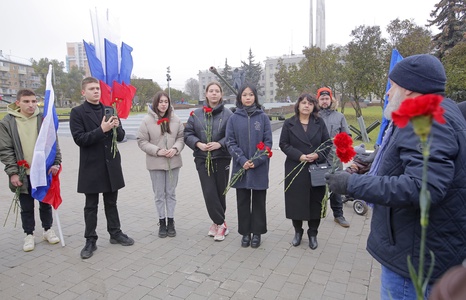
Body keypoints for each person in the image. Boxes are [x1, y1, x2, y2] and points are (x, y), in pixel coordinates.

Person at [325, 54, 466, 299]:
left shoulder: (425, 119)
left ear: (410, 89)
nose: (388, 93)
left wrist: (352, 184)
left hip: (413, 255)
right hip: (424, 244)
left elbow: (422, 187)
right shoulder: (439, 111)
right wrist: (375, 165)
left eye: (392, 86)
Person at [70, 77, 134, 259]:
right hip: (91, 166)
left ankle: (115, 233)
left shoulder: (110, 109)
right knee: (91, 206)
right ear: (84, 92)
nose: (96, 91)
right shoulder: (78, 112)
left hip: (110, 165)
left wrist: (116, 126)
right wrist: (102, 129)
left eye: (97, 88)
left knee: (111, 202)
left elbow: (120, 137)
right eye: (91, 89)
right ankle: (90, 240)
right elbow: (80, 139)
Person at [0, 89, 61, 252]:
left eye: (34, 101)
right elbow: (5, 149)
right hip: (22, 172)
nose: (31, 105)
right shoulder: (8, 122)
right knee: (26, 206)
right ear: (18, 103)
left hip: (42, 171)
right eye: (26, 101)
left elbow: (53, 143)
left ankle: (47, 230)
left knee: (45, 202)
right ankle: (29, 234)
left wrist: (56, 162)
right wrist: (13, 172)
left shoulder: (43, 119)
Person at [279, 93, 330, 249]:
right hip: (296, 167)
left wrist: (317, 155)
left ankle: (313, 233)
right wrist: (299, 156)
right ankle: (298, 232)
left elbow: (327, 144)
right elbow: (284, 144)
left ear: (314, 106)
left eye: (310, 103)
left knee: (315, 202)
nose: (306, 105)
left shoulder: (319, 122)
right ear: (298, 105)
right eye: (304, 103)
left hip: (315, 168)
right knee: (296, 202)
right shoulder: (289, 123)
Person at [184, 82, 233, 241]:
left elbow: (232, 136)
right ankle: (221, 222)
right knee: (209, 192)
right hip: (202, 159)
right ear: (206, 94)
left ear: (221, 95)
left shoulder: (228, 115)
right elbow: (188, 134)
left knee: (220, 192)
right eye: (211, 91)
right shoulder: (196, 114)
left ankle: (217, 223)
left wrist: (220, 144)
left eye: (217, 91)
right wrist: (198, 144)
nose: (214, 94)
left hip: (222, 158)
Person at [226, 83, 273, 248]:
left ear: (255, 97)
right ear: (240, 97)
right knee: (243, 201)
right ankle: (245, 232)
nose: (247, 97)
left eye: (250, 95)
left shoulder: (263, 117)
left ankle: (257, 233)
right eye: (244, 95)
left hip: (259, 167)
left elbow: (268, 143)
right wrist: (242, 160)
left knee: (259, 201)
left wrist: (257, 160)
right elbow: (230, 142)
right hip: (242, 166)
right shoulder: (233, 118)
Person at [137, 91, 184, 238]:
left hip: (173, 162)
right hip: (155, 163)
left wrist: (175, 148)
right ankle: (161, 222)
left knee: (171, 193)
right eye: (161, 101)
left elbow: (181, 137)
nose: (163, 104)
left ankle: (171, 221)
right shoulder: (146, 120)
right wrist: (157, 151)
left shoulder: (176, 119)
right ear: (156, 103)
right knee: (159, 194)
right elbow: (142, 141)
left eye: (166, 101)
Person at [317, 87, 351, 228]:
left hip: (335, 158)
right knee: (318, 186)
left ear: (331, 100)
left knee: (336, 188)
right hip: (318, 158)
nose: (325, 101)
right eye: (322, 99)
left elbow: (347, 136)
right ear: (318, 100)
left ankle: (338, 215)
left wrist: (340, 141)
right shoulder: (314, 116)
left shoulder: (339, 117)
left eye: (327, 99)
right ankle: (317, 213)